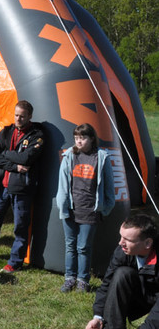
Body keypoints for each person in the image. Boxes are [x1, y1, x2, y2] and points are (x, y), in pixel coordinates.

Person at [0, 100, 45, 273]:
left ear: (30, 116)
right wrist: (14, 166)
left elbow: (26, 159)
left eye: (22, 116)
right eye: (16, 115)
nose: (18, 119)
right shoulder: (7, 131)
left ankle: (15, 262)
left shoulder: (37, 135)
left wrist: (6, 154)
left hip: (22, 189)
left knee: (20, 226)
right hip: (2, 186)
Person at [85, 214, 159, 329]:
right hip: (139, 296)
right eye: (121, 237)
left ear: (148, 243)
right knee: (121, 274)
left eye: (128, 240)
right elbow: (107, 284)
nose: (120, 243)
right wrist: (98, 316)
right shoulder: (122, 252)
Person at [56, 123, 115, 293]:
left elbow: (109, 187)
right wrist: (63, 204)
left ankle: (83, 280)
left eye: (82, 138)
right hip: (70, 209)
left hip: (90, 210)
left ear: (91, 139)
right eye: (76, 138)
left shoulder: (101, 157)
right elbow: (62, 184)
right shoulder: (69, 155)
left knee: (83, 247)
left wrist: (105, 208)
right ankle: (69, 279)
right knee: (70, 245)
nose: (79, 141)